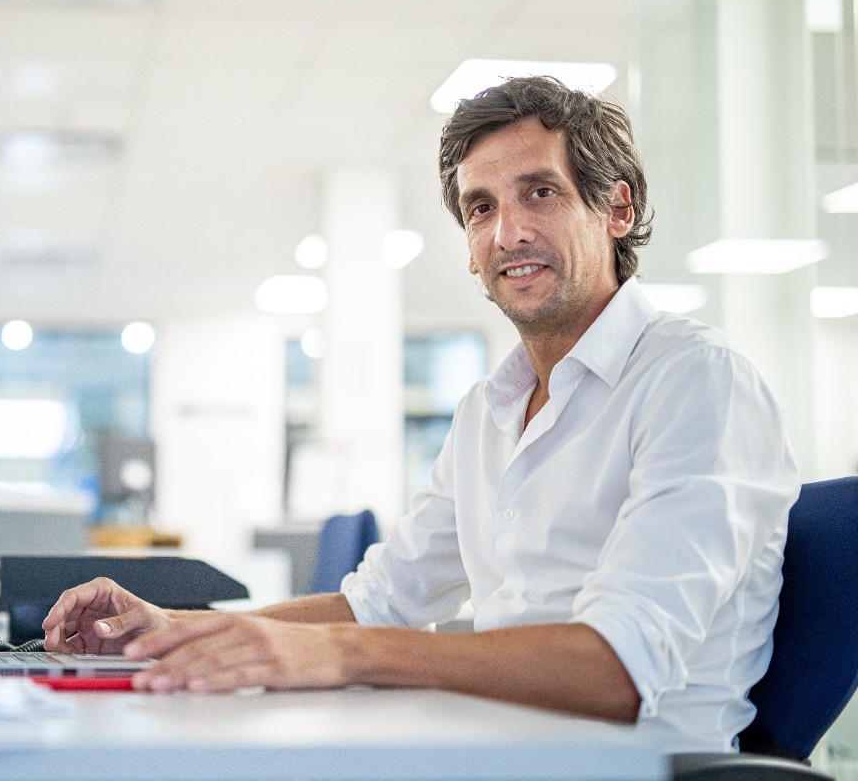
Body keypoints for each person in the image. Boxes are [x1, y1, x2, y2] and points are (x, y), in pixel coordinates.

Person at [41, 76, 800, 752]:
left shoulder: (695, 382)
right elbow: (380, 601)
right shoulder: (488, 410)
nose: (509, 233)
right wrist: (178, 632)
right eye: (482, 208)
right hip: (491, 744)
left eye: (540, 192)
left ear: (616, 208)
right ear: (469, 249)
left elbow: (615, 671)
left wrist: (339, 656)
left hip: (634, 766)